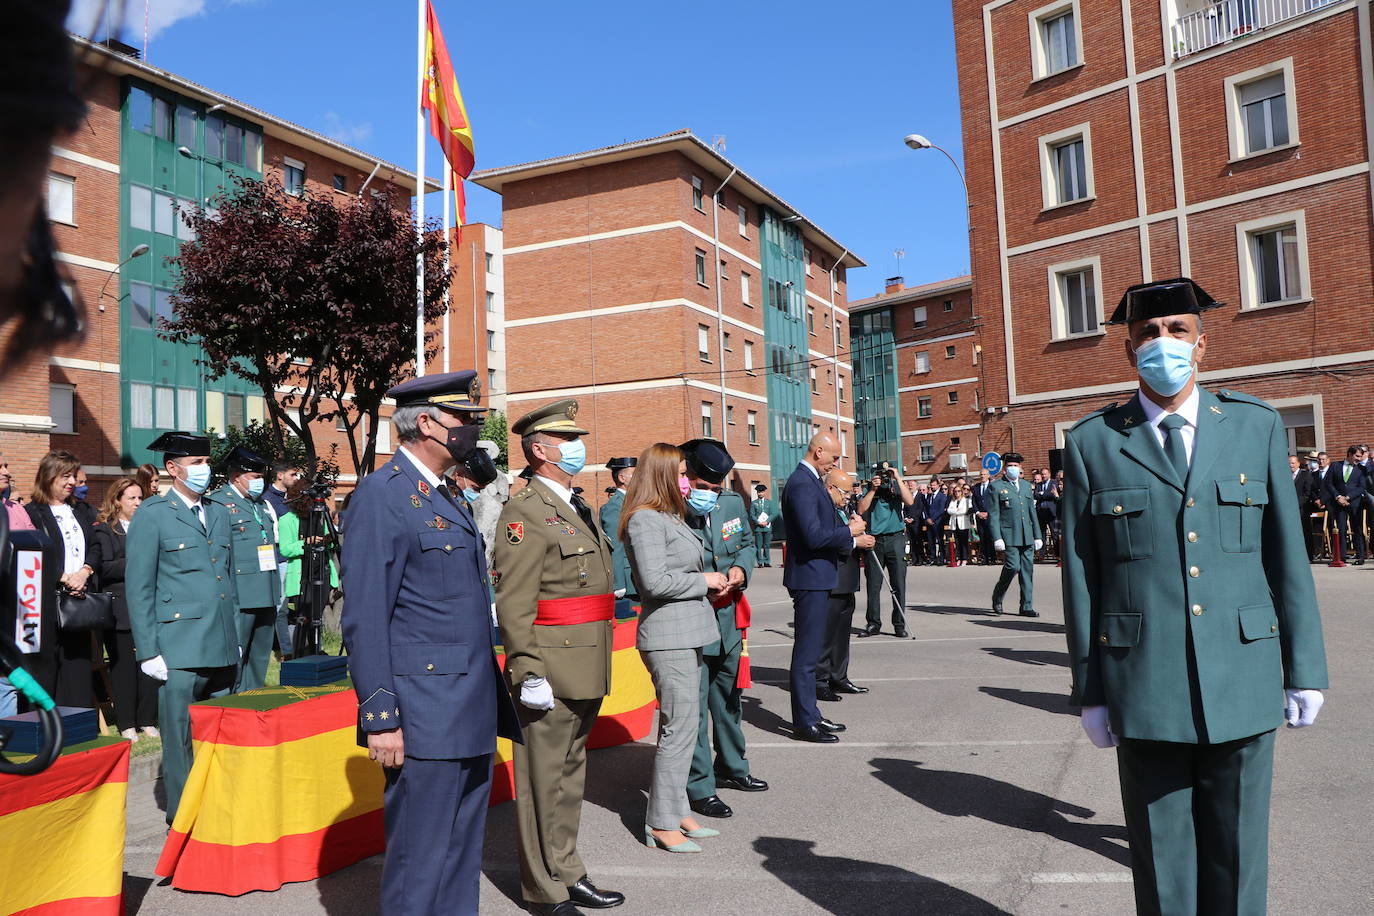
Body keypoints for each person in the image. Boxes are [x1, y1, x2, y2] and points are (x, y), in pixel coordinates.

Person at [1062, 277, 1328, 915]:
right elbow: (1081, 575)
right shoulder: (1093, 442)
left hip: (1243, 674)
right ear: (1129, 352)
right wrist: (1091, 688)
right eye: (1148, 334)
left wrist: (1305, 669)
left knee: (1238, 861)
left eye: (1177, 331)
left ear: (1202, 345)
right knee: (1163, 864)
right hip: (1144, 682)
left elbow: (1287, 557)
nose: (1163, 344)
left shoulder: (1253, 426)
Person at [341, 370, 519, 916]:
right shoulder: (383, 496)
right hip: (422, 711)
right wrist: (381, 717)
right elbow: (366, 617)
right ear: (426, 423)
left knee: (461, 851)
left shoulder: (444, 493)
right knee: (420, 857)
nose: (471, 430)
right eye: (462, 420)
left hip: (466, 703)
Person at [494, 399, 624, 916]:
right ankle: (543, 888)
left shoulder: (574, 504)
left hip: (586, 661)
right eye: (567, 441)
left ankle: (568, 869)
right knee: (541, 782)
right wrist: (526, 669)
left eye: (577, 439)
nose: (577, 448)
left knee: (570, 779)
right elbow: (515, 601)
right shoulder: (524, 512)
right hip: (549, 665)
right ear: (541, 449)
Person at [125, 432, 241, 823]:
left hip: (221, 642)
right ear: (172, 469)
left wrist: (236, 637)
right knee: (178, 739)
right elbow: (139, 587)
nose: (204, 471)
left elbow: (229, 580)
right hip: (178, 646)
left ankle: (218, 807)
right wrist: (148, 650)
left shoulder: (220, 512)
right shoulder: (153, 514)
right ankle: (184, 815)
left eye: (207, 463)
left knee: (220, 735)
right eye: (195, 464)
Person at [619, 443, 723, 853]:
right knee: (679, 730)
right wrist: (706, 581)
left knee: (686, 726)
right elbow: (654, 582)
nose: (687, 480)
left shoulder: (668, 515)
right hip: (667, 636)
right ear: (662, 474)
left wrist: (712, 581)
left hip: (688, 631)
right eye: (681, 473)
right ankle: (661, 823)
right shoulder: (645, 519)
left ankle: (677, 807)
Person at [676, 439, 766, 821]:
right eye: (702, 488)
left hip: (728, 619)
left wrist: (741, 570)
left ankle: (732, 766)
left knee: (728, 699)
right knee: (694, 709)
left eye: (715, 489)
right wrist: (703, 580)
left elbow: (745, 542)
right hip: (692, 621)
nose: (709, 496)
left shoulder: (730, 503)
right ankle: (700, 786)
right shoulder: (669, 511)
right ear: (686, 480)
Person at [782, 434, 871, 744]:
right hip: (810, 578)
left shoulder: (810, 480)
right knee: (807, 656)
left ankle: (812, 714)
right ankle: (804, 721)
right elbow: (813, 536)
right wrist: (850, 532)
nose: (836, 463)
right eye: (833, 457)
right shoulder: (802, 483)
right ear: (818, 451)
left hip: (817, 576)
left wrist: (847, 534)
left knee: (811, 651)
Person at [88, 477, 159, 739]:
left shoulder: (149, 527)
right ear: (117, 501)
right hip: (121, 609)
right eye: (132, 498)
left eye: (141, 497)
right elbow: (105, 567)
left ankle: (148, 718)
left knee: (150, 663)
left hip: (150, 606)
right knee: (124, 667)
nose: (138, 503)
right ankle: (127, 722)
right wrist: (138, 562)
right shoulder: (106, 530)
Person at [25, 450, 97, 705]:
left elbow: (96, 546)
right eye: (65, 476)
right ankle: (48, 727)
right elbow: (31, 554)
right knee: (47, 671)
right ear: (48, 477)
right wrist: (65, 577)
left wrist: (85, 572)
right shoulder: (32, 513)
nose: (72, 482)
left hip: (79, 602)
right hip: (46, 605)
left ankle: (78, 727)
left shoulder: (83, 510)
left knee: (77, 667)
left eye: (73, 477)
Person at [207, 447, 281, 692]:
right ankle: (230, 702)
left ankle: (253, 699)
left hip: (266, 589)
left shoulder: (260, 504)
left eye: (262, 477)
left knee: (259, 656)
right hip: (241, 593)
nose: (260, 482)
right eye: (254, 477)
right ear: (237, 476)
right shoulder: (219, 503)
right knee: (236, 654)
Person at [818, 467, 868, 699]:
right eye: (845, 492)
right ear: (830, 488)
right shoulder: (821, 507)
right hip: (831, 578)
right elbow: (826, 539)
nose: (849, 496)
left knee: (841, 633)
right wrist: (856, 541)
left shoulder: (841, 508)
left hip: (846, 578)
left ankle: (839, 676)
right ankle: (821, 681)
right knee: (826, 634)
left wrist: (855, 528)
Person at [277, 485, 340, 648]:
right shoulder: (286, 520)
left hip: (322, 572)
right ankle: (301, 652)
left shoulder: (320, 516)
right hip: (302, 576)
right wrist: (306, 542)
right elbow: (285, 549)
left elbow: (331, 539)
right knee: (304, 618)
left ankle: (316, 650)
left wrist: (327, 541)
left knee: (317, 617)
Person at [857, 464, 914, 638]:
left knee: (898, 584)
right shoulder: (870, 488)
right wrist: (873, 489)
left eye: (885, 474)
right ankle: (873, 623)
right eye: (880, 474)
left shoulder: (896, 485)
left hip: (896, 538)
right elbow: (860, 509)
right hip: (875, 540)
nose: (883, 478)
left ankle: (899, 624)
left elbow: (910, 501)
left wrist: (897, 477)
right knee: (873, 585)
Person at [986, 452, 1040, 617]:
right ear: (1004, 468)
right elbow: (993, 515)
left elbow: (1032, 511)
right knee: (1012, 566)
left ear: (1020, 468)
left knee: (1027, 570)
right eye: (1010, 466)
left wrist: (1037, 535)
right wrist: (997, 537)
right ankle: (998, 596)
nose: (1013, 469)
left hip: (1027, 534)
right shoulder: (996, 486)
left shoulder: (1025, 485)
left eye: (1016, 466)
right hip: (1008, 534)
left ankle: (1026, 606)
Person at [262, 460, 301, 660]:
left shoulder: (293, 498)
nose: (296, 479)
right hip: (279, 560)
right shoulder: (267, 500)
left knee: (291, 608)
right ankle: (286, 651)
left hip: (295, 558)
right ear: (280, 475)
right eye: (293, 474)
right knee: (280, 608)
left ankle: (294, 648)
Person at [599, 456, 637, 611]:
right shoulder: (615, 506)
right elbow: (615, 544)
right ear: (622, 478)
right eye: (635, 474)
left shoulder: (632, 500)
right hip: (629, 581)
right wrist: (618, 583)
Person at [1324, 445, 1367, 564]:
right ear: (1349, 454)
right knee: (1341, 529)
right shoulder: (1335, 465)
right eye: (1357, 456)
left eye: (1361, 456)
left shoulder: (1361, 469)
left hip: (1354, 503)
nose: (1359, 459)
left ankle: (1360, 556)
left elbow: (1362, 487)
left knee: (1357, 529)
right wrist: (1338, 497)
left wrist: (1348, 497)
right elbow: (1329, 483)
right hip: (1339, 503)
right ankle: (1341, 557)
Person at [923, 478, 949, 566]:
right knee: (931, 541)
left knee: (940, 540)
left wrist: (933, 519)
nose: (932, 487)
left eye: (934, 485)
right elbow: (926, 509)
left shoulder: (942, 496)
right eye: (931, 485)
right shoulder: (929, 496)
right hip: (929, 522)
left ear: (938, 485)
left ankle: (941, 558)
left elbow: (941, 509)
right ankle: (932, 558)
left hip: (938, 522)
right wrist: (927, 518)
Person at [750, 484, 775, 567]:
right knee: (758, 546)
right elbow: (751, 515)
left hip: (767, 527)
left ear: (764, 492)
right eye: (758, 492)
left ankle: (767, 561)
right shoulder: (754, 503)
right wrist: (758, 522)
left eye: (761, 492)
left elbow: (773, 513)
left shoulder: (769, 502)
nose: (760, 493)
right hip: (758, 528)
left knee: (767, 545)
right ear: (757, 493)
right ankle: (760, 562)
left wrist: (767, 522)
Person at [948, 484, 973, 565]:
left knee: (964, 542)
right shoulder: (953, 501)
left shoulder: (966, 500)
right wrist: (957, 510)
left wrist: (955, 511)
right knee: (957, 542)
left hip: (963, 524)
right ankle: (959, 558)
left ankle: (965, 558)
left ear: (961, 492)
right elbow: (949, 510)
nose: (957, 493)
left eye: (959, 491)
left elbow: (965, 511)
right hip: (955, 524)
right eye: (955, 491)